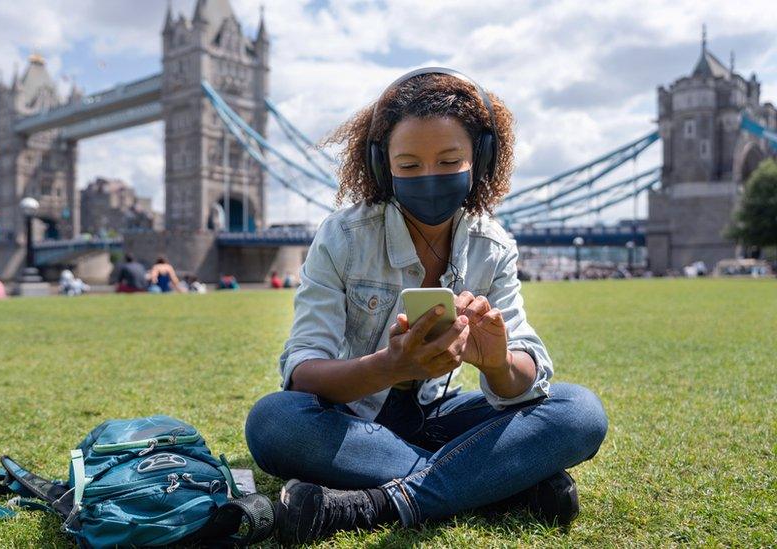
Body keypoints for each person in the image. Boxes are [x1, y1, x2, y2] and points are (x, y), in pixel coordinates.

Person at [244, 68, 608, 544]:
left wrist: (497, 363)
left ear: (481, 159)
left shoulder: (493, 246)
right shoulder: (342, 237)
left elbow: (521, 378)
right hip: (352, 422)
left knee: (578, 411)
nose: (429, 178)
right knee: (274, 421)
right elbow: (302, 374)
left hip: (436, 416)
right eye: (410, 166)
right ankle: (498, 482)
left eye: (449, 160)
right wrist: (388, 366)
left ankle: (375, 504)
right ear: (381, 166)